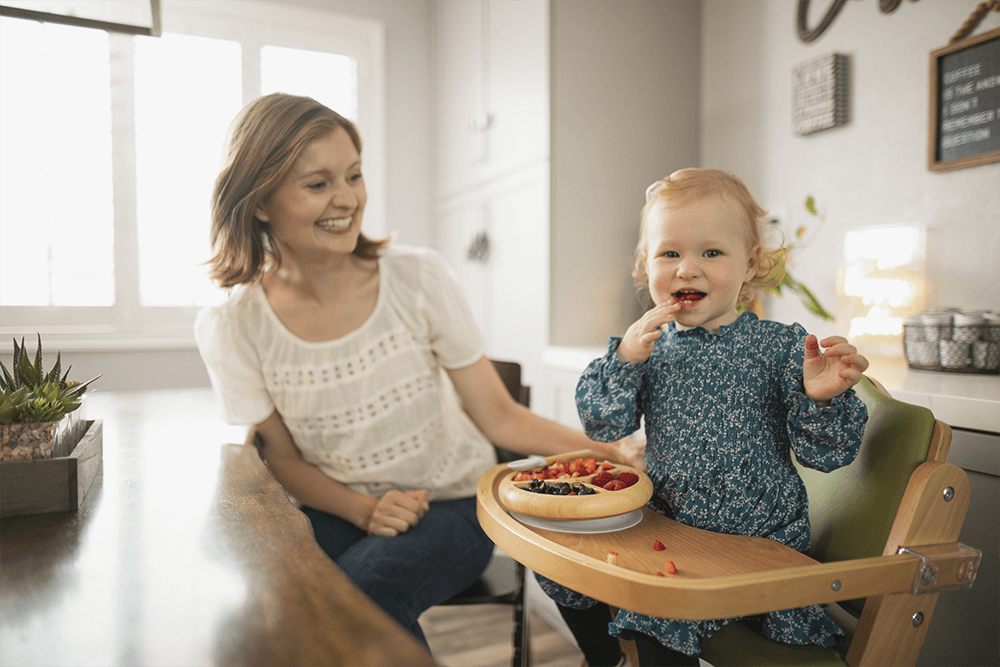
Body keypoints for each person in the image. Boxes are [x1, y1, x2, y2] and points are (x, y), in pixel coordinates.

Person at [194, 93, 643, 647]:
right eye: (317, 184)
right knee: (273, 614)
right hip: (337, 508)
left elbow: (499, 417)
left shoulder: (417, 278)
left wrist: (608, 453)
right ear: (260, 202)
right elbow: (283, 460)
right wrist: (364, 509)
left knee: (360, 602)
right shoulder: (233, 324)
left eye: (353, 176)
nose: (347, 199)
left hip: (451, 504)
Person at [536, 168, 869, 666]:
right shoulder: (648, 351)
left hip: (758, 539)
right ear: (646, 264)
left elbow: (828, 454)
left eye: (710, 252)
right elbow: (604, 426)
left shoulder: (779, 348)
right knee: (559, 568)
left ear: (750, 261)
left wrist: (820, 397)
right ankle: (610, 659)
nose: (686, 269)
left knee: (658, 617)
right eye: (669, 253)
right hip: (671, 526)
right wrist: (624, 361)